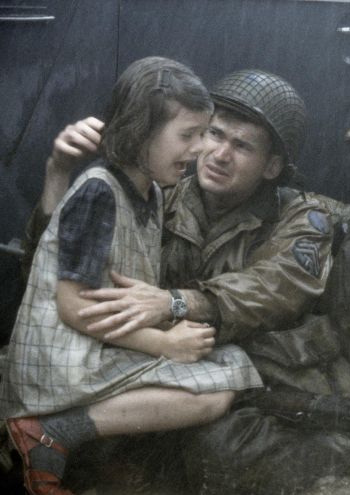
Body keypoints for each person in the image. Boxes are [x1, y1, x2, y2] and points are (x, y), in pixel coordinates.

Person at [21, 69, 350, 495]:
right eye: (213, 134)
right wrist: (58, 173)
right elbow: (60, 271)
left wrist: (175, 302)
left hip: (296, 372)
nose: (219, 154)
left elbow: (275, 285)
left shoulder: (303, 216)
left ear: (272, 166)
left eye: (242, 146)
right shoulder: (156, 195)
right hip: (208, 387)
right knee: (221, 455)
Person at [0, 57, 259, 495]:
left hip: (97, 346)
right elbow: (73, 306)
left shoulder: (152, 191)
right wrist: (162, 344)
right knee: (215, 393)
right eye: (188, 135)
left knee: (230, 362)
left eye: (202, 133)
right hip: (62, 360)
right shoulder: (99, 191)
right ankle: (51, 432)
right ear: (141, 133)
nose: (200, 148)